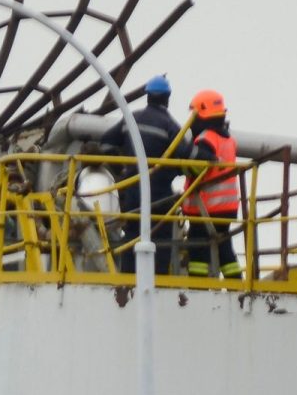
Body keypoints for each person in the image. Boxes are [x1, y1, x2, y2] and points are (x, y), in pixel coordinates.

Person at [96, 74, 185, 277]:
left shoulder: (132, 119)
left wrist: (119, 169)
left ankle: (128, 276)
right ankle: (159, 278)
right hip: (159, 193)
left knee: (132, 234)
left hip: (133, 191)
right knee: (160, 238)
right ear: (167, 97)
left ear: (147, 96)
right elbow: (186, 153)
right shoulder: (169, 125)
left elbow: (106, 141)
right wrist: (177, 170)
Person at [181, 88, 242, 280]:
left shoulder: (206, 138)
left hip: (206, 208)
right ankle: (235, 282)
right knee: (224, 245)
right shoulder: (229, 139)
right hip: (228, 208)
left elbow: (200, 166)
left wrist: (182, 167)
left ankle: (198, 286)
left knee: (198, 247)